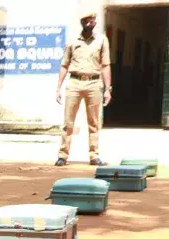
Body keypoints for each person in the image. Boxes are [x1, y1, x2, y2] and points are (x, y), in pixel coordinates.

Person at [55, 12, 112, 167]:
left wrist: (108, 89)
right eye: (87, 21)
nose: (90, 23)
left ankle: (94, 156)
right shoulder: (73, 41)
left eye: (92, 21)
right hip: (74, 83)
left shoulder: (101, 40)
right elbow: (64, 65)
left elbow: (106, 65)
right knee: (68, 122)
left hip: (94, 83)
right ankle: (62, 155)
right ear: (82, 23)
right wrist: (58, 88)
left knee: (94, 122)